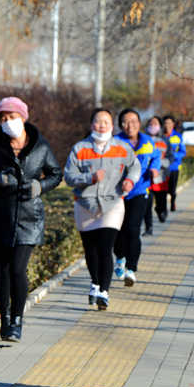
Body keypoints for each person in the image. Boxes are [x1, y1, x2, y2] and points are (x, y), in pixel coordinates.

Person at [0, 97, 62, 341]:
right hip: (0, 215)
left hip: (30, 217)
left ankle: (18, 321)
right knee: (1, 271)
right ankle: (4, 319)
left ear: (23, 117)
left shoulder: (40, 146)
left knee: (18, 269)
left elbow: (55, 173)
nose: (7, 122)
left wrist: (39, 186)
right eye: (2, 119)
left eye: (11, 117)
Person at [64, 108, 140, 310]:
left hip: (112, 204)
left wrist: (130, 182)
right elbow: (69, 176)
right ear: (91, 125)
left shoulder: (122, 148)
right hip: (85, 204)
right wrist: (89, 178)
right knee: (91, 250)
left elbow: (135, 166)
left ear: (112, 125)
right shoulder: (79, 148)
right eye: (98, 121)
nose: (102, 125)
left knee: (105, 248)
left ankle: (104, 292)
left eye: (106, 121)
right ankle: (95, 283)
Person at [113, 109, 161, 287]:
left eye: (133, 121)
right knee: (118, 230)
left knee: (133, 229)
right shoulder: (116, 142)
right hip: (118, 193)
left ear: (139, 123)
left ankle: (131, 270)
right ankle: (120, 257)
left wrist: (154, 168)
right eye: (125, 122)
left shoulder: (148, 142)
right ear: (120, 125)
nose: (130, 125)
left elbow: (156, 157)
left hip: (140, 190)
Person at [143, 116, 174, 235]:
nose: (152, 125)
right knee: (147, 203)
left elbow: (170, 158)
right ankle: (148, 227)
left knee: (161, 203)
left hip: (161, 177)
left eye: (155, 123)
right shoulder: (143, 140)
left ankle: (161, 210)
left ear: (160, 126)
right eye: (150, 123)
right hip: (146, 178)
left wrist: (160, 162)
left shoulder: (165, 140)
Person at [163, 115, 186, 212]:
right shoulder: (160, 137)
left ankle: (173, 200)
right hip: (162, 168)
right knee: (162, 189)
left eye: (169, 123)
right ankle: (162, 207)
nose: (167, 125)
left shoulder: (178, 136)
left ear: (173, 124)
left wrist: (173, 155)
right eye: (165, 123)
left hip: (174, 167)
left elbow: (183, 152)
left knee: (172, 190)